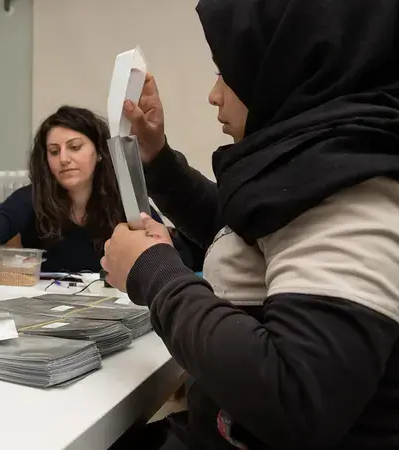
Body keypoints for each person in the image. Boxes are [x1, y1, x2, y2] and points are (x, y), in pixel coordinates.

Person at [103, 1, 399, 449]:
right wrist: (156, 157)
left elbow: (298, 397)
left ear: (288, 66)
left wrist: (155, 274)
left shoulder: (354, 189)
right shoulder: (320, 166)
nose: (214, 94)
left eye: (226, 72)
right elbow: (241, 228)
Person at [0, 106, 170, 287]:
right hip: (46, 308)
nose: (64, 159)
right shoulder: (33, 197)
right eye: (54, 151)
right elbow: (0, 220)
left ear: (99, 152)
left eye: (75, 147)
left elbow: (164, 248)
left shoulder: (124, 200)